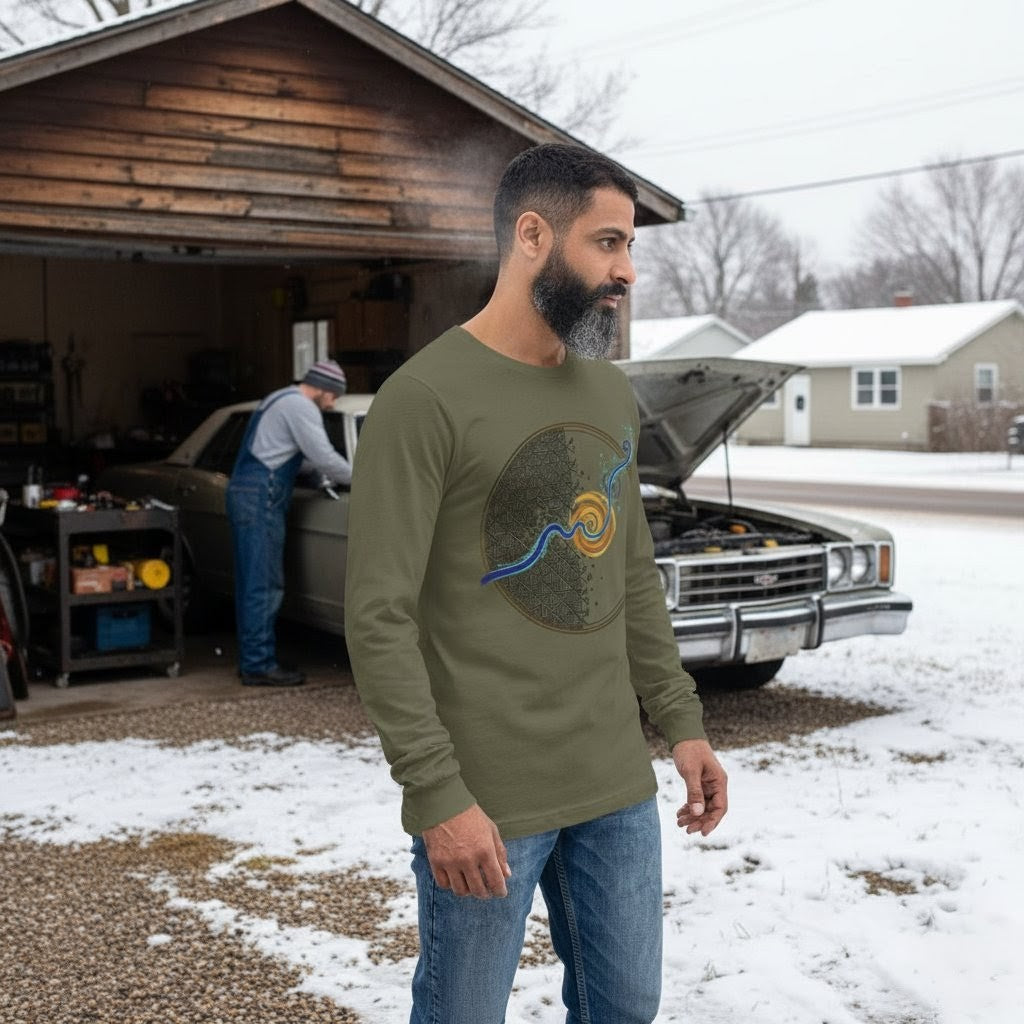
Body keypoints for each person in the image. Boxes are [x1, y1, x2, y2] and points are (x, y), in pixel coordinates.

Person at [344, 144, 728, 1022]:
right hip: (487, 797)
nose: (626, 271)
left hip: (613, 785)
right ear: (531, 237)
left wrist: (681, 724)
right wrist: (437, 795)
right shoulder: (425, 399)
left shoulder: (606, 395)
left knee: (626, 1009)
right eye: (607, 244)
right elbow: (379, 618)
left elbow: (628, 574)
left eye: (630, 247)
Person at [227, 359, 351, 687]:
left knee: (252, 581)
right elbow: (324, 456)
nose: (333, 402)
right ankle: (258, 665)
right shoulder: (301, 408)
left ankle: (253, 658)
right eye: (334, 396)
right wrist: (362, 477)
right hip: (261, 496)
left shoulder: (280, 398)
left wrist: (315, 472)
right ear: (324, 389)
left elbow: (287, 453)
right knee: (264, 584)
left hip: (249, 490)